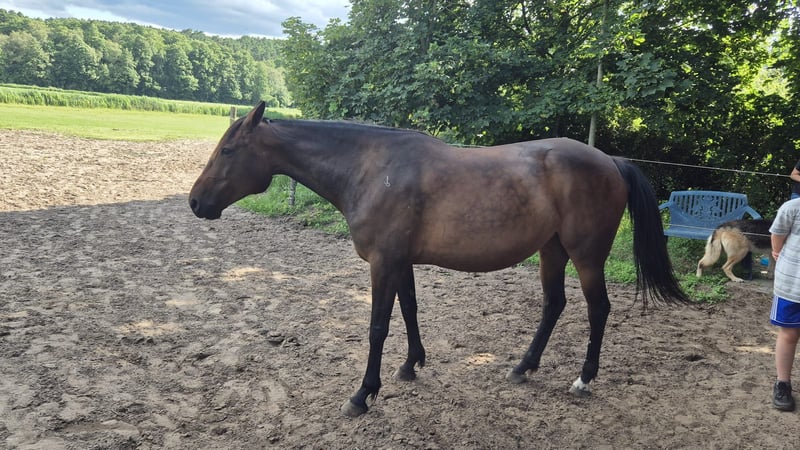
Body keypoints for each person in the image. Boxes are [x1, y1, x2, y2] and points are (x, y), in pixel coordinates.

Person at [769, 197, 800, 411]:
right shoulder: (792, 208)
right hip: (792, 285)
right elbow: (777, 238)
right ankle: (782, 384)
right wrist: (778, 254)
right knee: (789, 335)